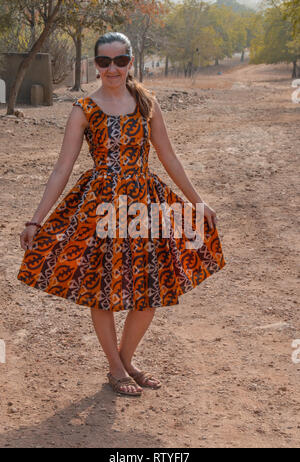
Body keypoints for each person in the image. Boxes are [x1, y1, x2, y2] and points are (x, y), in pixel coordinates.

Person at [17, 32, 226, 397]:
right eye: (104, 62)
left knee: (148, 293)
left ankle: (125, 360)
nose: (112, 68)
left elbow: (168, 156)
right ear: (95, 65)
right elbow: (61, 168)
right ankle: (116, 367)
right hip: (101, 208)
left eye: (120, 61)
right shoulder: (84, 108)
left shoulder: (147, 103)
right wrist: (36, 219)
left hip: (144, 206)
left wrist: (197, 202)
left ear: (130, 62)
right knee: (103, 291)